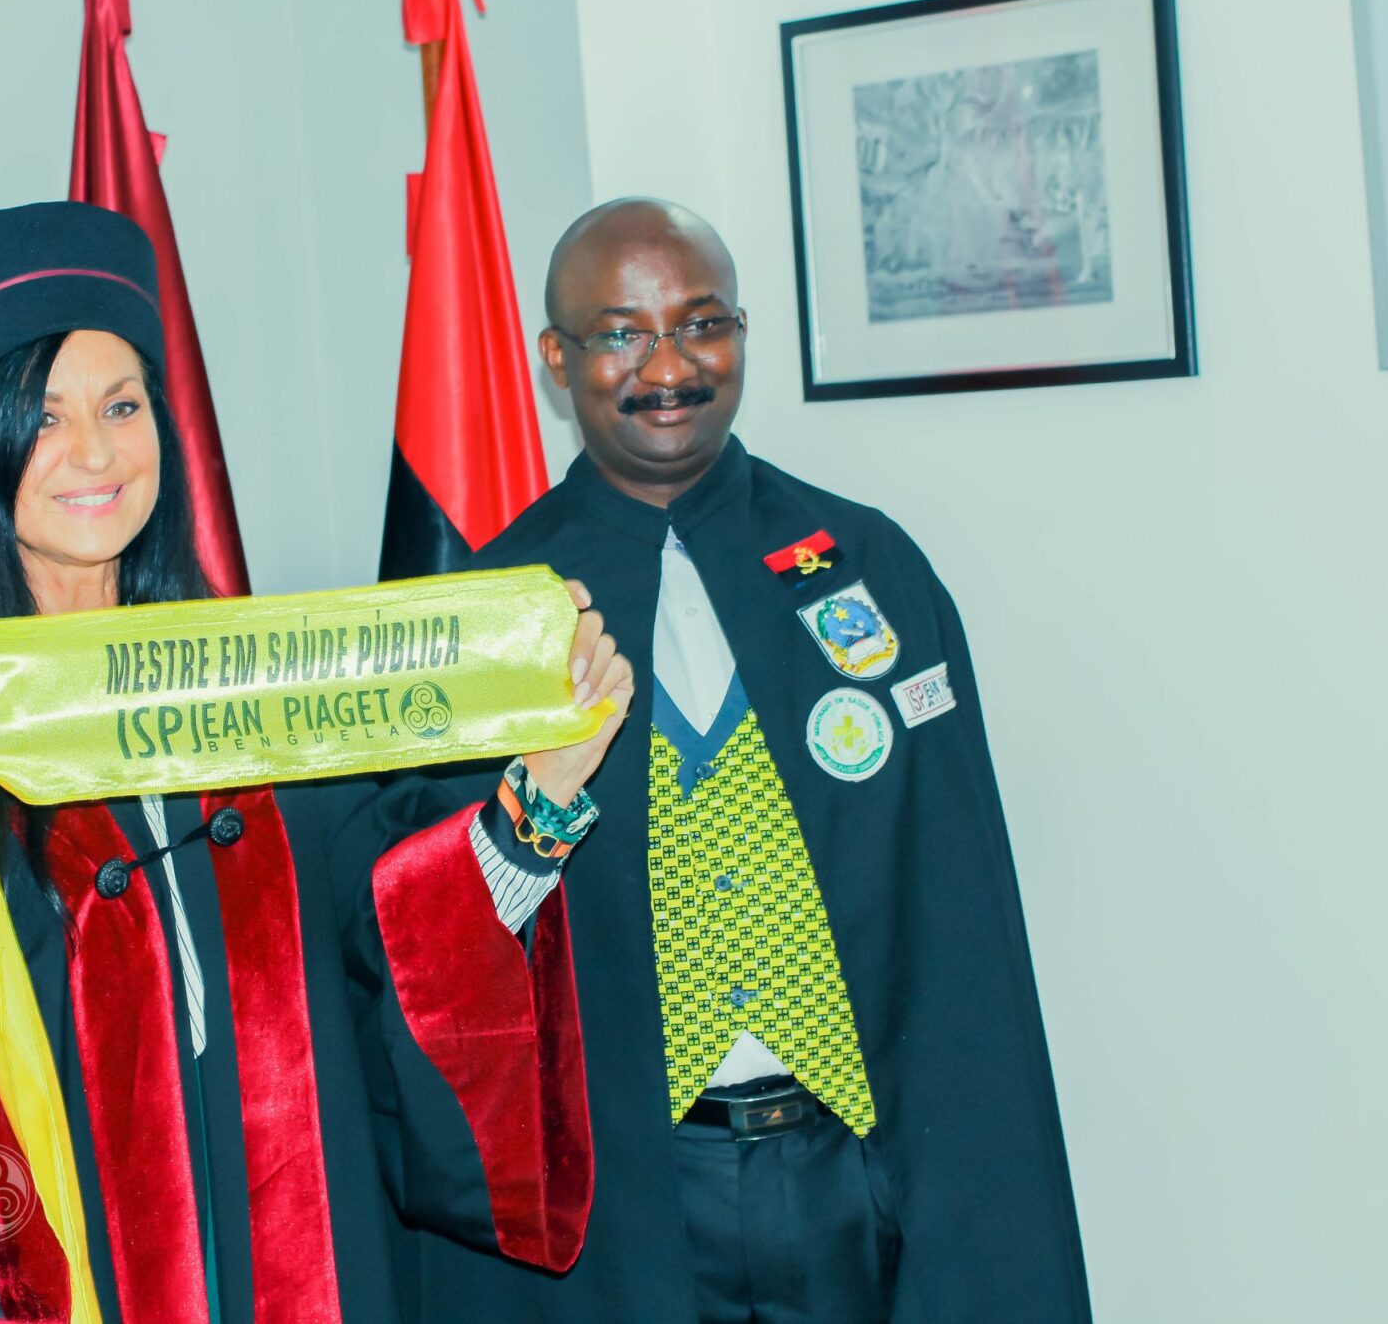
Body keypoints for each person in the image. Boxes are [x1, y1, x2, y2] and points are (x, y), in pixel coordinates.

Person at [0, 202, 632, 1323]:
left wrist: (539, 794)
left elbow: (383, 951)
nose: (96, 453)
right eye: (46, 420)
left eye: (122, 405)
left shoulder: (252, 688)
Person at [378, 198, 1091, 1323]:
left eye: (700, 323)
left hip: (844, 1176)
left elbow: (953, 916)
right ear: (554, 358)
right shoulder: (475, 617)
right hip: (621, 1201)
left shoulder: (871, 566)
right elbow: (421, 935)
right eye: (618, 333)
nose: (666, 364)